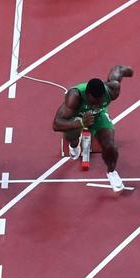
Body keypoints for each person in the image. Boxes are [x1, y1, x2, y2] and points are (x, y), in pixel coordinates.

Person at [53, 64, 135, 192]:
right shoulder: (74, 97)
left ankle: (111, 172)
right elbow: (57, 124)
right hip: (77, 116)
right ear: (87, 95)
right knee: (71, 136)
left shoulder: (112, 90)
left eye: (100, 100)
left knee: (110, 146)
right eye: (94, 101)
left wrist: (128, 71)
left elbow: (117, 71)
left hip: (97, 116)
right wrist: (81, 124)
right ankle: (74, 145)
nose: (97, 103)